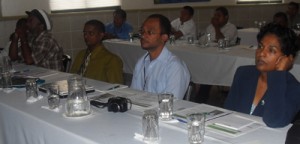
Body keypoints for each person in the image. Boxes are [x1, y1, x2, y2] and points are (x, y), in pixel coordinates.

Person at [224, 23, 300, 128]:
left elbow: (274, 121)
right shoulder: (243, 74)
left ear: (287, 59)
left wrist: (279, 74)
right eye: (260, 46)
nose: (261, 53)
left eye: (271, 50)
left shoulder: (294, 88)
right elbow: (227, 112)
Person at [131, 14, 190, 100]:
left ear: (164, 37)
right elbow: (133, 94)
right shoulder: (141, 62)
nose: (143, 35)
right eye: (142, 31)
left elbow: (170, 103)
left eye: (150, 32)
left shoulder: (175, 67)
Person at [70, 19, 123, 84]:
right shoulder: (80, 55)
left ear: (101, 35)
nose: (86, 36)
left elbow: (117, 88)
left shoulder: (111, 60)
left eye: (91, 33)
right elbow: (72, 77)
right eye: (85, 33)